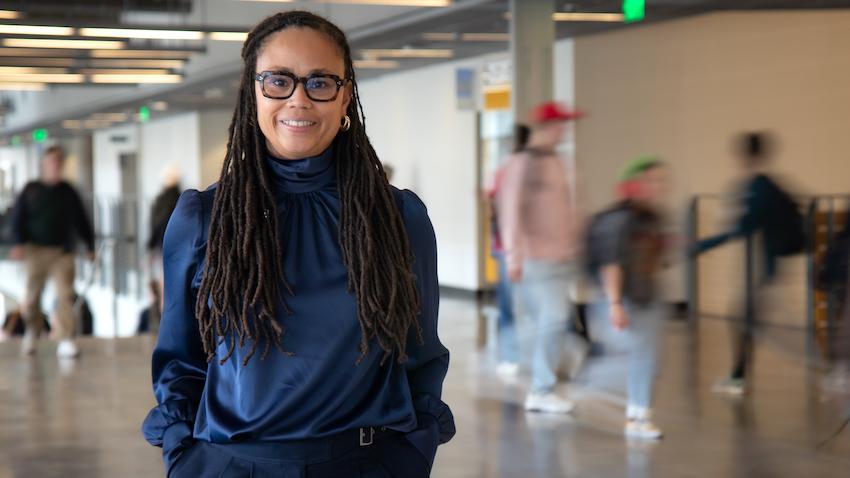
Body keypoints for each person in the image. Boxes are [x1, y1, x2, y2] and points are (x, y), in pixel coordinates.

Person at [141, 11, 454, 478]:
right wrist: (183, 452)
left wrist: (411, 453)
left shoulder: (398, 218)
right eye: (278, 81)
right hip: (231, 464)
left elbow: (421, 353)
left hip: (367, 463)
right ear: (253, 91)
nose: (299, 99)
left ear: (345, 93)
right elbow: (179, 360)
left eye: (320, 83)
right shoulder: (202, 219)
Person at [695, 132, 803, 395]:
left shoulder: (760, 187)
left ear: (745, 155)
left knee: (756, 325)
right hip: (772, 268)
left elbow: (742, 228)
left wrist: (701, 245)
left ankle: (739, 377)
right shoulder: (772, 185)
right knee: (745, 319)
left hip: (769, 270)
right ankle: (739, 376)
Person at [497, 102, 584, 413]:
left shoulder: (561, 161)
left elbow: (568, 210)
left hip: (563, 258)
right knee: (553, 320)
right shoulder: (524, 163)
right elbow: (510, 210)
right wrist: (514, 256)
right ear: (547, 127)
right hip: (538, 259)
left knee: (550, 321)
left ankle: (540, 375)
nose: (564, 131)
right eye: (561, 125)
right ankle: (541, 389)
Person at [587, 157, 669, 439]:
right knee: (641, 356)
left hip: (646, 297)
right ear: (635, 184)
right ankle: (638, 416)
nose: (659, 186)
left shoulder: (653, 218)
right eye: (653, 180)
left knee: (647, 358)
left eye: (662, 180)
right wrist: (615, 303)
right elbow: (612, 262)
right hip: (626, 299)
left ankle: (638, 413)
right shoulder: (621, 220)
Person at [8, 145, 95, 358]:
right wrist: (18, 243)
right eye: (51, 161)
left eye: (59, 161)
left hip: (62, 252)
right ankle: (32, 331)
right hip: (35, 251)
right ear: (44, 164)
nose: (55, 165)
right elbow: (17, 217)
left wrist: (89, 246)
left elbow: (81, 220)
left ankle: (65, 338)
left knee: (65, 294)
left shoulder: (68, 192)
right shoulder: (31, 190)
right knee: (32, 296)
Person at [487, 124, 530, 379]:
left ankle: (510, 357)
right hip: (526, 247)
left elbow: (491, 202)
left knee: (507, 304)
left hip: (506, 245)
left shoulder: (505, 169)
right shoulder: (528, 168)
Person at [143, 166, 182, 334]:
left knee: (165, 288)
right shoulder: (184, 198)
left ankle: (166, 328)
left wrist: (150, 247)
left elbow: (157, 225)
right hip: (181, 248)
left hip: (163, 249)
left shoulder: (160, 201)